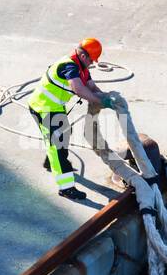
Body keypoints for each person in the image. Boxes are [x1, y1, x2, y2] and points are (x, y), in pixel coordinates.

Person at [27, 38, 115, 201]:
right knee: (57, 147)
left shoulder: (81, 67)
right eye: (91, 60)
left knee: (65, 135)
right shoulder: (68, 66)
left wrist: (106, 98)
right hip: (43, 109)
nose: (91, 64)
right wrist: (99, 101)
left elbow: (91, 86)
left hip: (54, 107)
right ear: (83, 56)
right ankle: (66, 188)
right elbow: (78, 89)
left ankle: (49, 162)